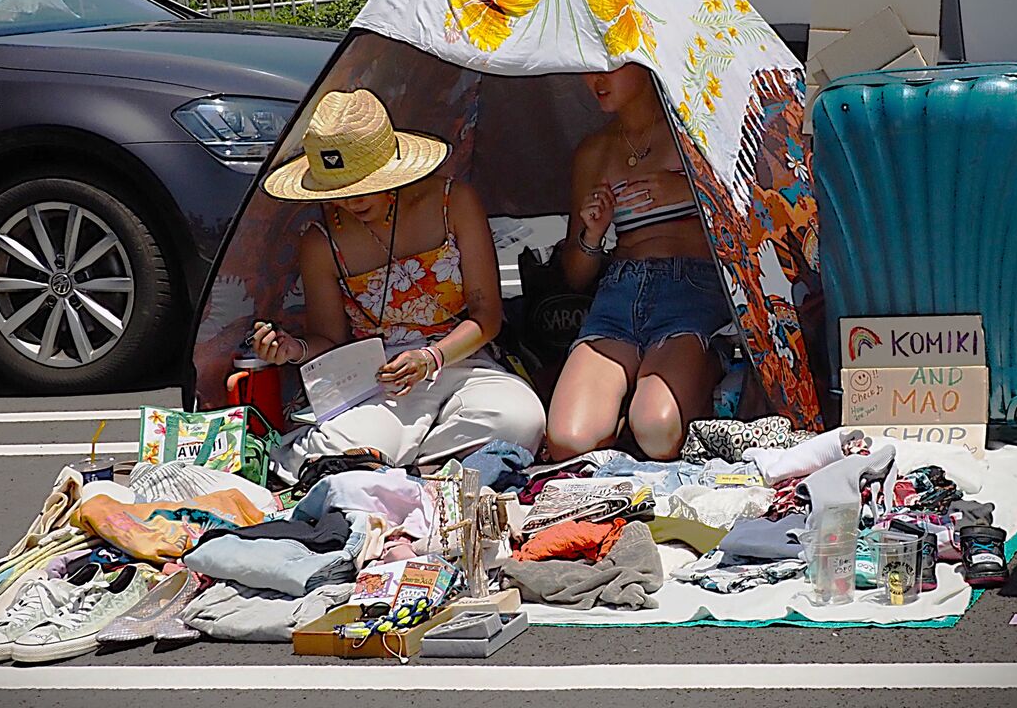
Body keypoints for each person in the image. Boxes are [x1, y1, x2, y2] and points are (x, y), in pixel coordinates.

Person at [252, 88, 546, 477]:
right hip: (379, 379)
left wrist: (431, 358)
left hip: (460, 358)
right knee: (335, 451)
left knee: (520, 420)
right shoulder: (321, 241)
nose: (352, 202)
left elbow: (486, 316)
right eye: (340, 191)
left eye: (363, 185)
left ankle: (395, 462)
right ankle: (421, 461)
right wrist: (293, 349)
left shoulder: (453, 202)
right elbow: (330, 340)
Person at [545, 63, 732, 460]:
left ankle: (713, 367)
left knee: (657, 429)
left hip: (691, 290)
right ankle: (633, 411)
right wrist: (593, 234)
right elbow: (575, 275)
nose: (596, 80)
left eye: (609, 67)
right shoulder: (594, 151)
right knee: (568, 441)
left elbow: (756, 220)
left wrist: (693, 192)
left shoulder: (697, 134)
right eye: (588, 68)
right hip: (618, 293)